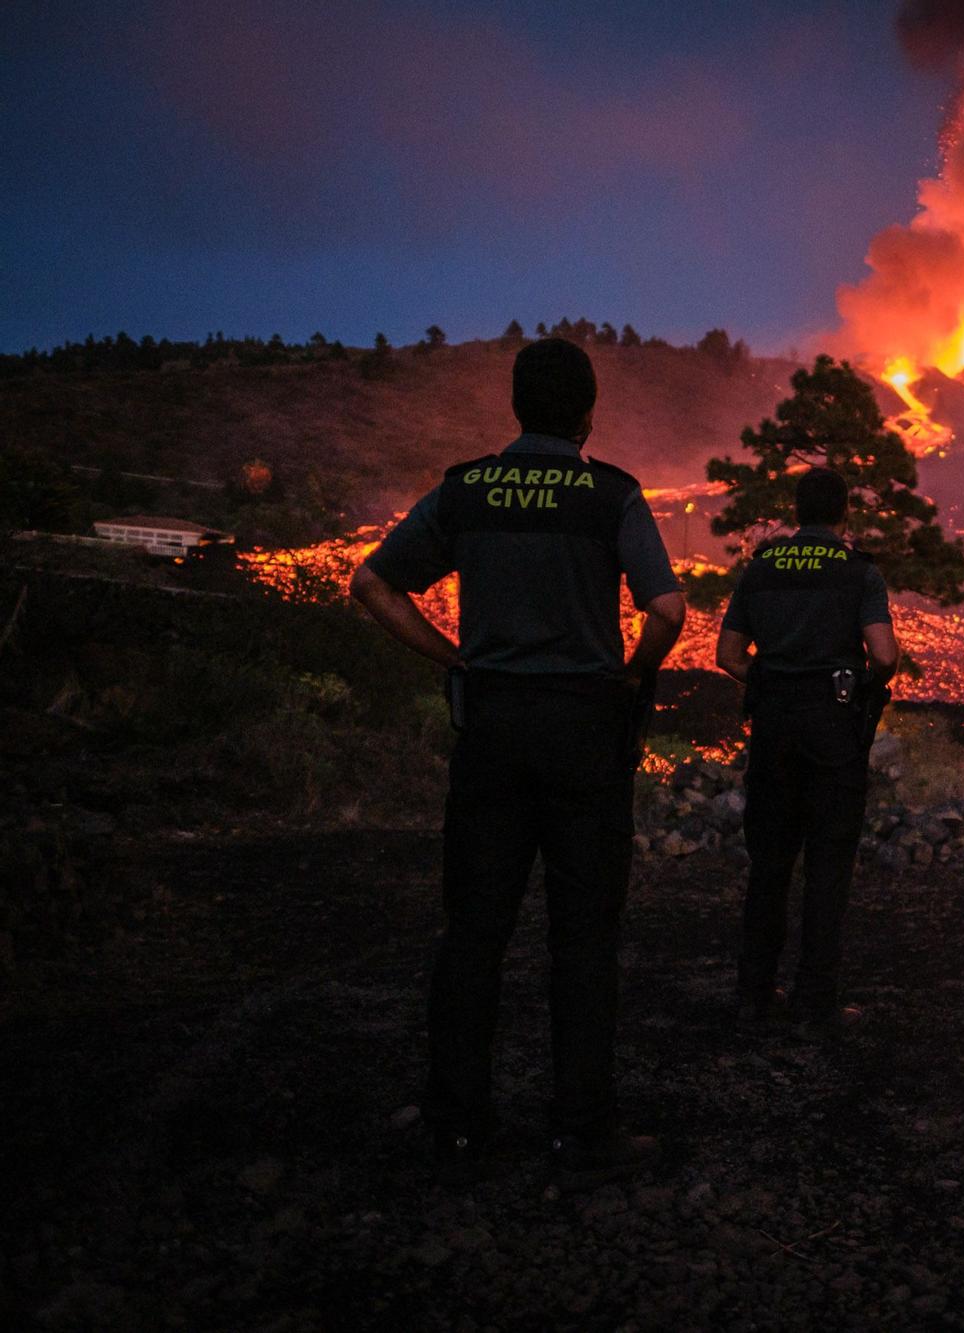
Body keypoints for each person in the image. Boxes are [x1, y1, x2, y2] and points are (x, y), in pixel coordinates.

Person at [350, 337, 686, 1187]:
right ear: (587, 414)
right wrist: (630, 677)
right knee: (583, 935)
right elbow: (670, 607)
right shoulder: (610, 495)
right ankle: (583, 1127)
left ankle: (456, 1121)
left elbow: (372, 586)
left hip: (492, 730)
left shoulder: (466, 490)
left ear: (514, 406)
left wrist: (454, 658)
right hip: (582, 735)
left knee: (473, 931)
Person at [715, 467, 898, 1042]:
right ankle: (816, 1000)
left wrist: (769, 680)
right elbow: (885, 655)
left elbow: (727, 654)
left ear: (796, 512)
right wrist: (857, 688)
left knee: (769, 862)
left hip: (773, 730)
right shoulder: (858, 571)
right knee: (828, 863)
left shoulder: (761, 569)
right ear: (844, 513)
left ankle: (753, 995)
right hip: (832, 731)